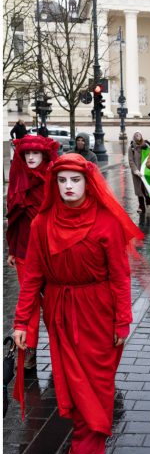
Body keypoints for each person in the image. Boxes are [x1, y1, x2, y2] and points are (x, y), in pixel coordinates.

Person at [12, 154, 144, 454]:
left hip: (98, 313)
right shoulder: (42, 223)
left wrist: (122, 319)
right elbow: (33, 278)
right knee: (72, 384)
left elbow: (120, 275)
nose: (68, 187)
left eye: (75, 180)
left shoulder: (107, 222)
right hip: (59, 313)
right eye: (61, 180)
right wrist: (22, 320)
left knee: (96, 385)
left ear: (88, 183)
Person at [5, 135, 59, 370]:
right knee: (28, 301)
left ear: (44, 155)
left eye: (35, 153)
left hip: (52, 251)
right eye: (27, 154)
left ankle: (62, 346)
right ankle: (30, 348)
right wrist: (12, 250)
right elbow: (14, 218)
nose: (31, 157)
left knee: (55, 302)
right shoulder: (18, 179)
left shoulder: (55, 178)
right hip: (25, 250)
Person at [127, 132, 150, 214]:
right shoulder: (131, 148)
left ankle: (148, 200)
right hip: (136, 172)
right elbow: (131, 161)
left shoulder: (146, 146)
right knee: (139, 189)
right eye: (136, 135)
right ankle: (141, 206)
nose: (138, 136)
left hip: (145, 170)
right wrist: (135, 170)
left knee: (144, 187)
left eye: (139, 135)